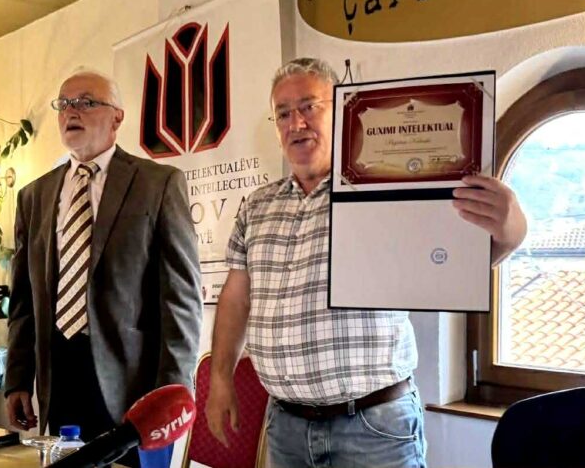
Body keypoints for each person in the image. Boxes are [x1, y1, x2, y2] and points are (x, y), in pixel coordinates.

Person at [206, 58, 528, 468]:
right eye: (283, 113)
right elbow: (236, 299)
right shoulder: (256, 206)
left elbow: (452, 266)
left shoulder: (382, 192)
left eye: (308, 106)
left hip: (374, 428)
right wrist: (220, 379)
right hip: (286, 427)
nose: (296, 123)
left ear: (342, 113)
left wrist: (512, 230)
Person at [4, 67, 201, 467]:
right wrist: (18, 378)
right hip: (59, 376)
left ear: (117, 118)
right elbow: (23, 299)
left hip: (134, 386)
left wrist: (173, 393)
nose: (71, 111)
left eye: (86, 102)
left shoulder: (157, 183)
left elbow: (181, 296)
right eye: (64, 104)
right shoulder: (34, 196)